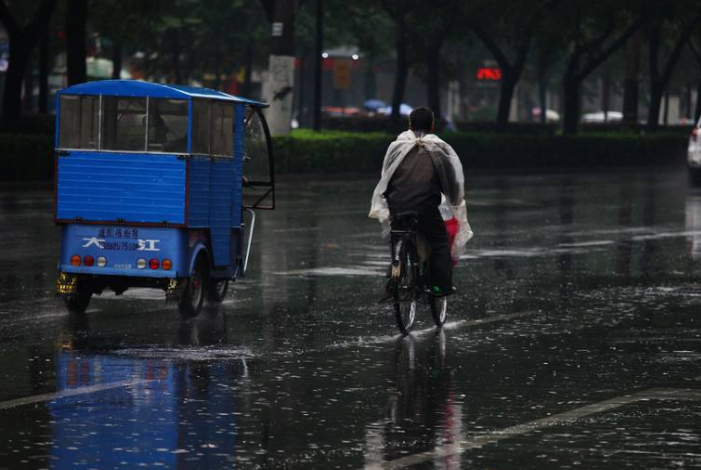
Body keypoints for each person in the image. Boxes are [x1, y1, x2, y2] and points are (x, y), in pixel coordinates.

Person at [369, 107, 472, 296]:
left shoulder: (396, 146)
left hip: (397, 204)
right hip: (426, 207)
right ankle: (440, 285)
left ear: (409, 124)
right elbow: (451, 183)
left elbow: (386, 176)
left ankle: (395, 272)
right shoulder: (439, 149)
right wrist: (455, 202)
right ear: (432, 125)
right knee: (439, 241)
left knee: (397, 234)